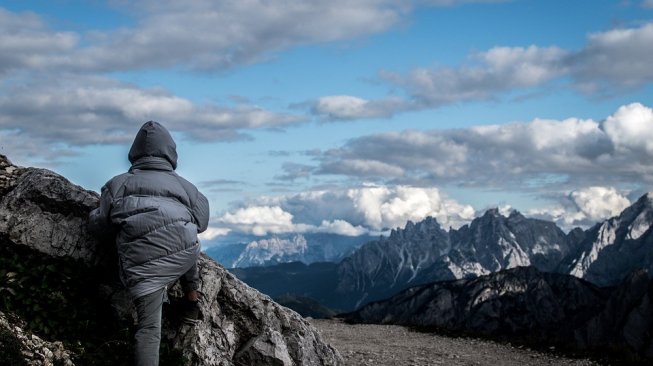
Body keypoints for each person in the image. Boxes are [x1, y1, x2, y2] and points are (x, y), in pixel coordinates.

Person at [89, 121, 210, 366]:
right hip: (182, 256)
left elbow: (100, 227)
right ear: (170, 152)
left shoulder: (117, 184)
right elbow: (202, 223)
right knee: (185, 238)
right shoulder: (188, 188)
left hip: (144, 269)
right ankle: (191, 298)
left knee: (149, 329)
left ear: (135, 151)